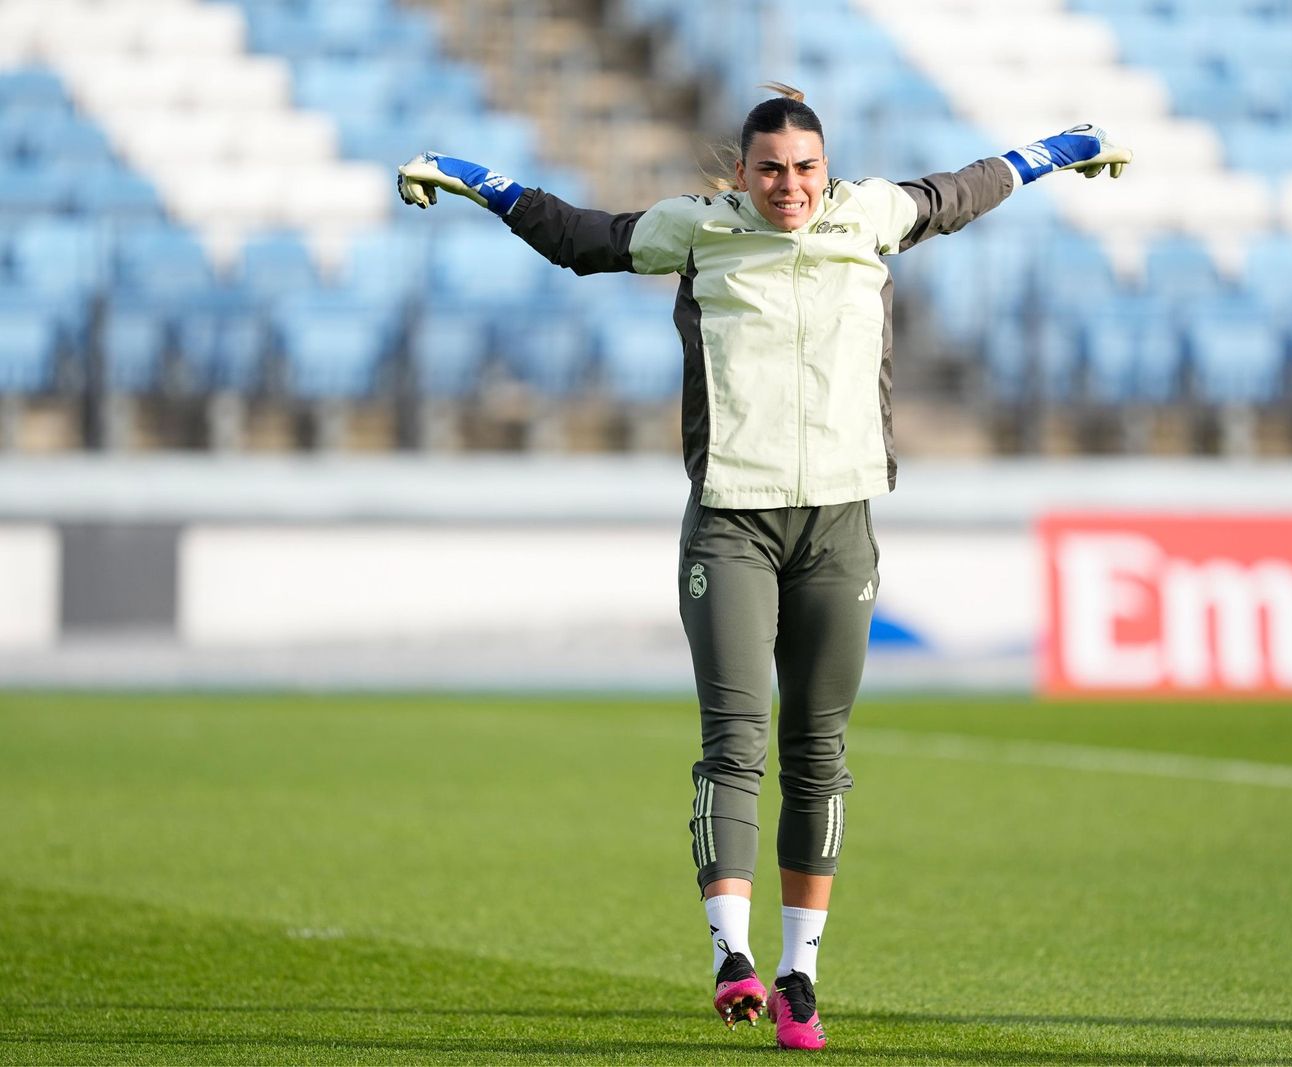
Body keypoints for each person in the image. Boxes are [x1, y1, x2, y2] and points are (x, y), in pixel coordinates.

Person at [397, 83, 1130, 1050]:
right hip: (731, 526)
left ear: (828, 171)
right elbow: (581, 239)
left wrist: (1063, 145)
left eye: (806, 169)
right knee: (736, 739)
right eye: (772, 170)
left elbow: (966, 188)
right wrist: (469, 177)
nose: (790, 186)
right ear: (741, 174)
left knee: (818, 755)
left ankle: (800, 975)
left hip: (840, 525)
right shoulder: (697, 231)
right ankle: (731, 958)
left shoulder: (870, 217)